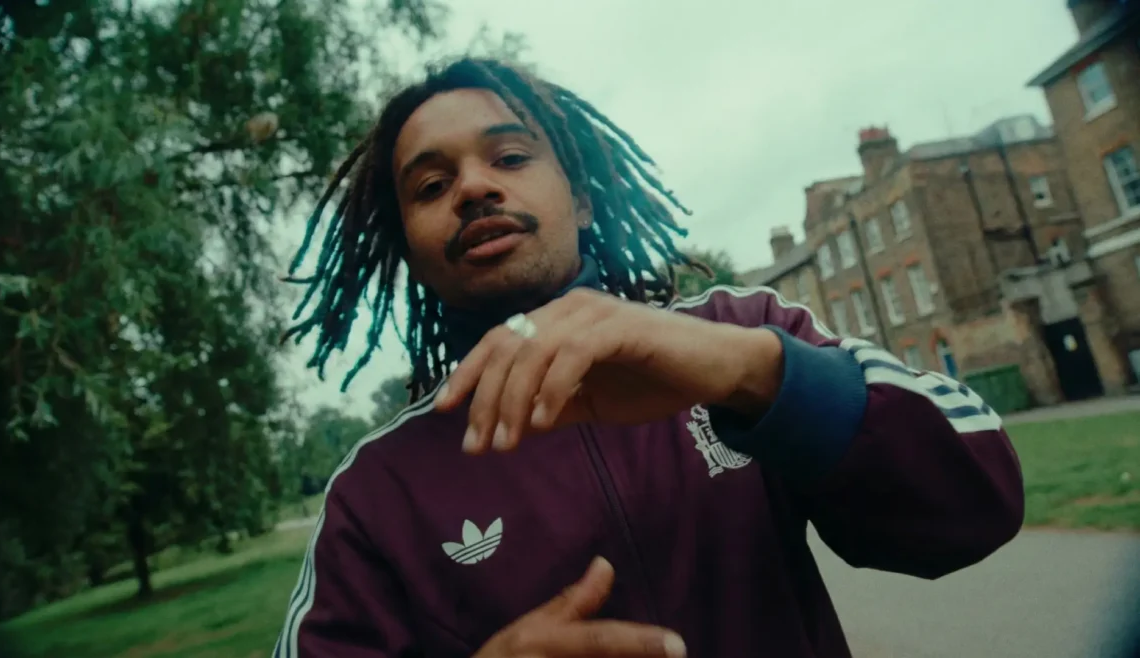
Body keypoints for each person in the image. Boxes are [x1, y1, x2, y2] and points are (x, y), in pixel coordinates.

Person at [274, 57, 1025, 658]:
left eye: (509, 154)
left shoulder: (743, 330)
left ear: (584, 199)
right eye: (433, 185)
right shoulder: (375, 494)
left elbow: (978, 504)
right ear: (410, 250)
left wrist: (755, 376)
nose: (474, 186)